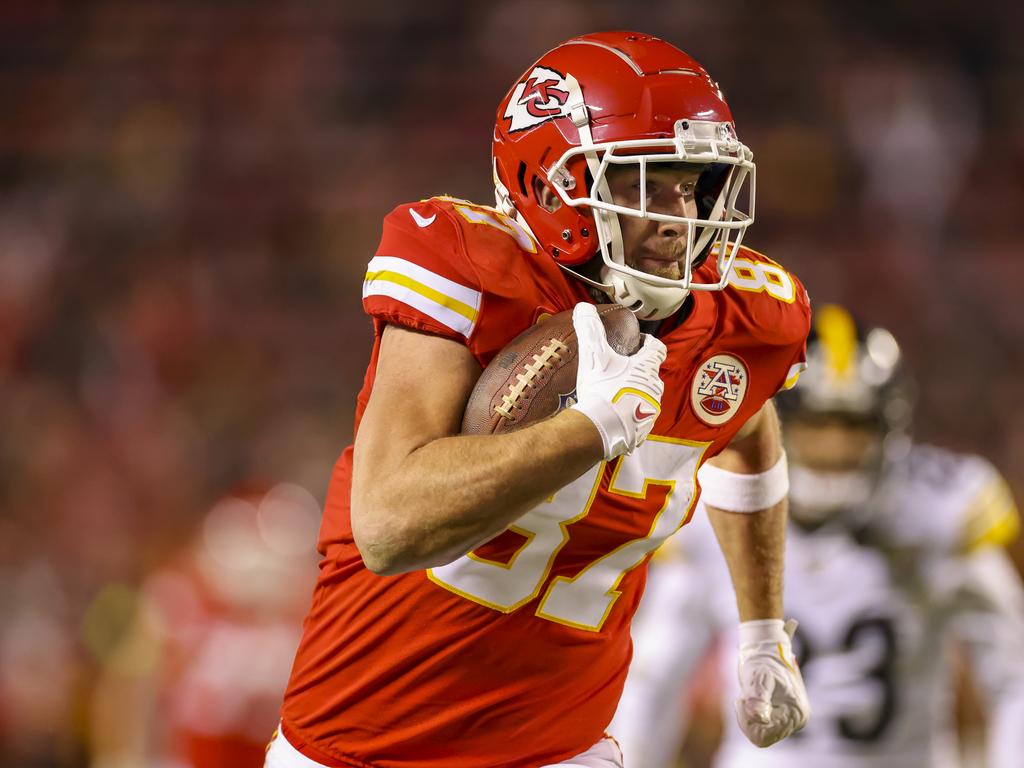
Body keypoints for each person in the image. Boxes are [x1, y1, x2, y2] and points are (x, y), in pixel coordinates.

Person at [267, 32, 812, 768]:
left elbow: (746, 429)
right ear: (553, 184)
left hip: (565, 751)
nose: (679, 215)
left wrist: (761, 631)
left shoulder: (743, 318)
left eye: (691, 183)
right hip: (362, 745)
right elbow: (389, 525)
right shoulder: (471, 270)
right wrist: (588, 430)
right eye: (643, 184)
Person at [610, 304, 1024, 768]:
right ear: (781, 425)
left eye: (853, 427)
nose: (835, 447)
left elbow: (1014, 677)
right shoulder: (716, 512)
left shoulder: (940, 513)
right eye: (818, 424)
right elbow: (654, 680)